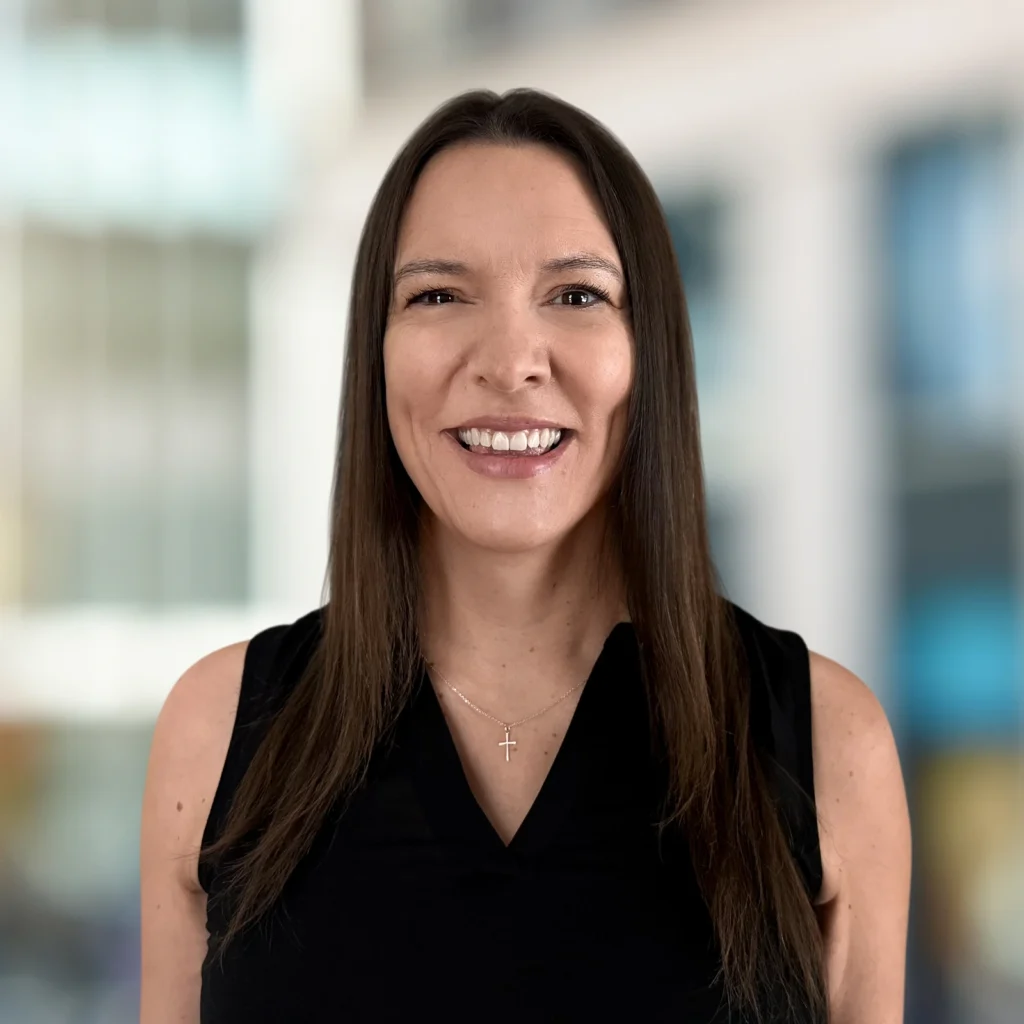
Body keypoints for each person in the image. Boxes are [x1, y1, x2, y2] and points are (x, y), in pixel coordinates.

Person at [140, 88, 911, 1023]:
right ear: (375, 352)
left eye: (576, 295)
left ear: (650, 349)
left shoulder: (828, 744)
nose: (510, 363)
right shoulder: (218, 730)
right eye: (438, 295)